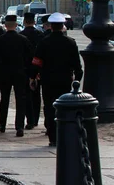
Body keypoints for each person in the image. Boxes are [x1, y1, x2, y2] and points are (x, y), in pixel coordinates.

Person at [32, 12, 83, 147]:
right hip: (65, 80)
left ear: (51, 26)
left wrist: (33, 77)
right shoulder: (70, 43)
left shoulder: (44, 42)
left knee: (49, 107)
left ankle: (52, 136)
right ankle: (63, 133)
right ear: (62, 26)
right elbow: (77, 65)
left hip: (48, 80)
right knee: (64, 107)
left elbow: (36, 62)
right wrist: (77, 81)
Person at [0, 15, 33, 137]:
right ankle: (19, 126)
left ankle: (3, 124)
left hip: (4, 73)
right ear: (16, 25)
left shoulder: (0, 40)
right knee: (20, 99)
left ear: (5, 25)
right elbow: (29, 57)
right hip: (20, 73)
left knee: (4, 99)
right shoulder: (23, 39)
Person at [19, 12, 43, 129]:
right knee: (36, 95)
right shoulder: (40, 35)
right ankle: (36, 119)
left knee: (26, 95)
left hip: (25, 69)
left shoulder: (21, 35)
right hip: (37, 68)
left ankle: (29, 120)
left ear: (24, 21)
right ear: (34, 21)